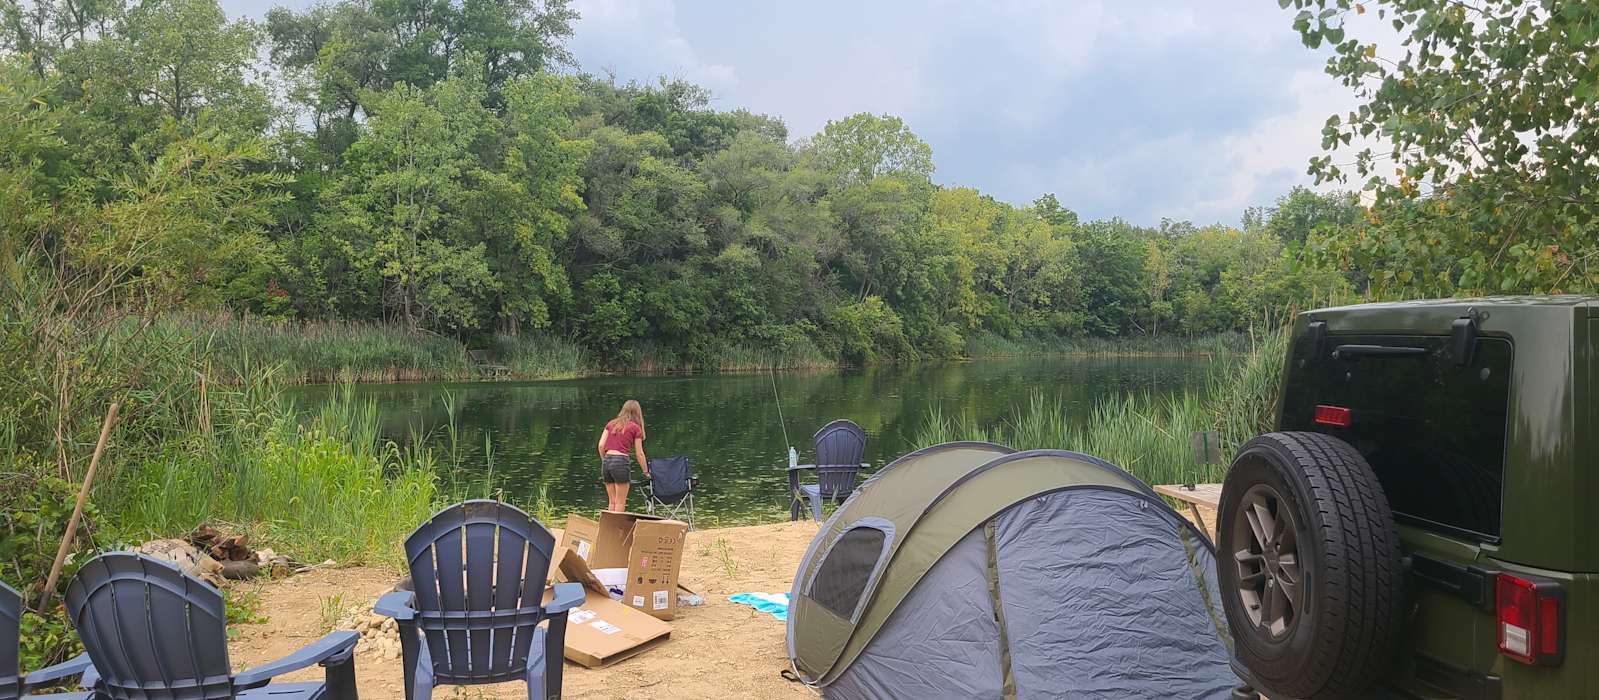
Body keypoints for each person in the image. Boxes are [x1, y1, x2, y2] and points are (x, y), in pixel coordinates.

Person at [597, 399, 648, 511]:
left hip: (607, 461)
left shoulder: (611, 424)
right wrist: (645, 471)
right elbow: (639, 453)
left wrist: (604, 460)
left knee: (612, 501)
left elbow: (601, 445)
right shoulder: (635, 428)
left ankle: (608, 527)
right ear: (637, 413)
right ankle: (617, 528)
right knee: (620, 503)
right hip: (620, 461)